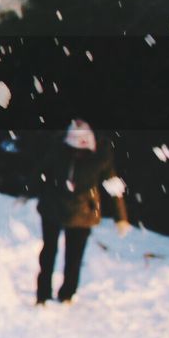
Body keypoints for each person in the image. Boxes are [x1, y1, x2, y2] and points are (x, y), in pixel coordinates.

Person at [35, 119, 131, 304]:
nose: (77, 155)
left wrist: (121, 217)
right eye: (74, 151)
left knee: (74, 256)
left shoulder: (102, 155)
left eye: (82, 152)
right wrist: (29, 191)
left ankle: (67, 294)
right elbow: (41, 171)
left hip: (84, 211)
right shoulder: (57, 148)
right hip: (53, 206)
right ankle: (43, 294)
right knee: (48, 252)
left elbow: (113, 184)